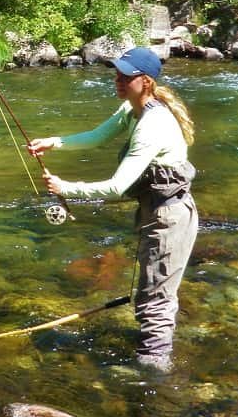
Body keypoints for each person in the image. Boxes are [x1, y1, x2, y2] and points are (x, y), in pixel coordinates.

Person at [27, 47, 198, 373]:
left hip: (169, 218)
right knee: (152, 290)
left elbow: (117, 187)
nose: (118, 80)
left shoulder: (152, 125)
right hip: (158, 213)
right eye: (117, 73)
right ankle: (151, 358)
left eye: (126, 75)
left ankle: (152, 373)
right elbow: (97, 137)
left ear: (146, 81)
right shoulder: (132, 110)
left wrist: (67, 188)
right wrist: (54, 142)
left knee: (155, 301)